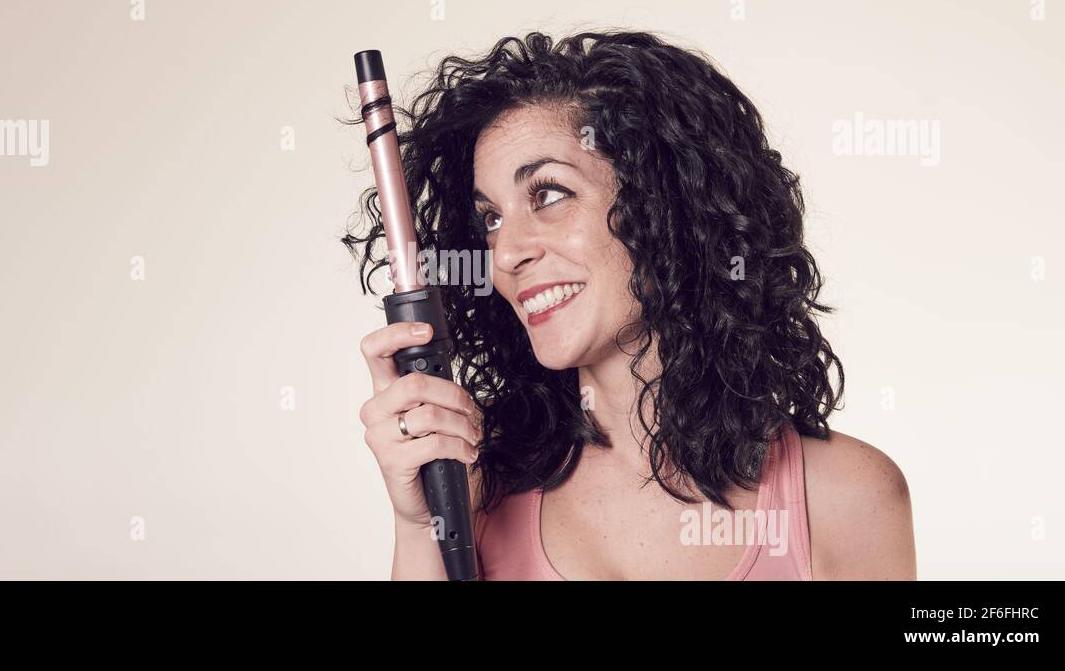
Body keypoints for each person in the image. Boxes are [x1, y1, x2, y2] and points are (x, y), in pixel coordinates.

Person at [343, 29, 915, 580]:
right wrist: (422, 527)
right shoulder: (474, 489)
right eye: (491, 219)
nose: (507, 252)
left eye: (547, 195)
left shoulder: (842, 499)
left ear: (667, 207)